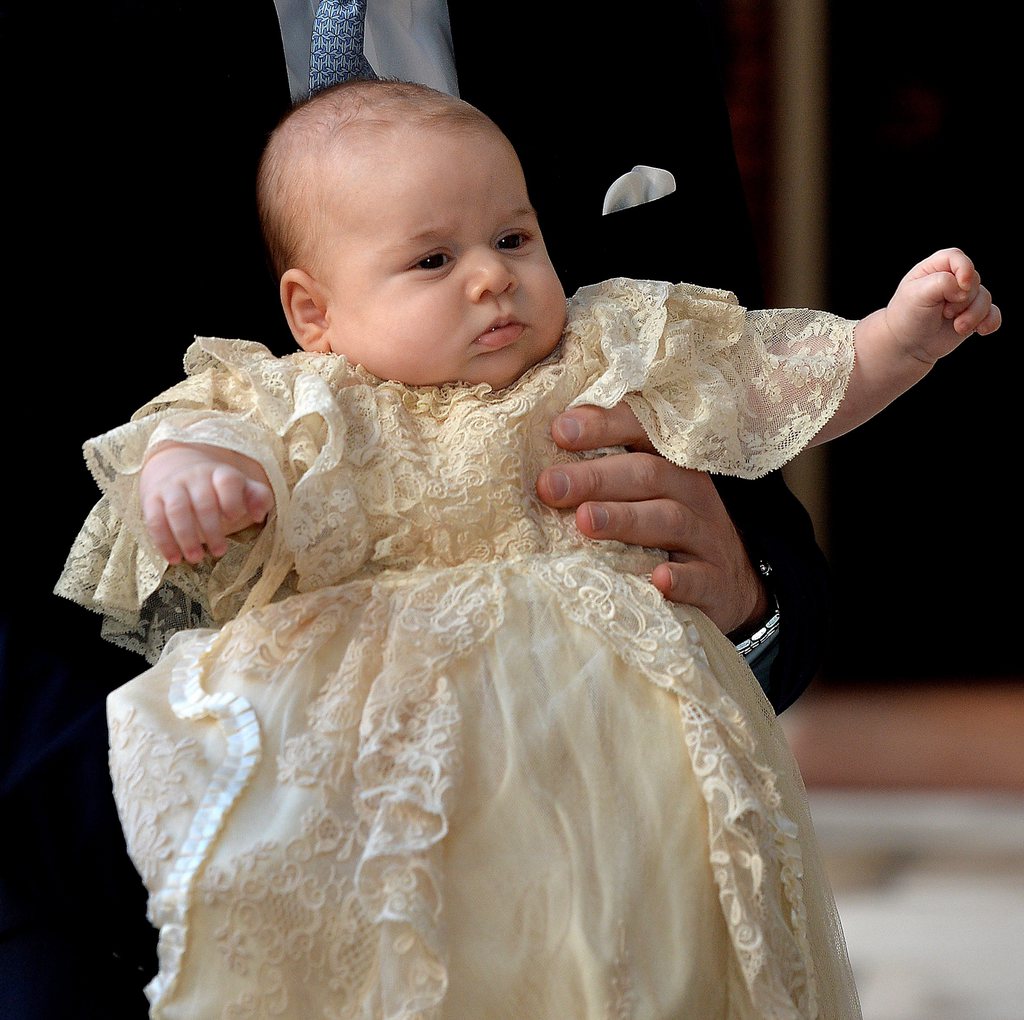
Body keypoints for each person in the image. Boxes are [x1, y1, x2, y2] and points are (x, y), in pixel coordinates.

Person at [55, 79, 999, 1019]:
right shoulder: (315, 404)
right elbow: (196, 432)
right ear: (313, 314)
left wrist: (895, 342)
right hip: (409, 783)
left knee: (666, 959)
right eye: (432, 259)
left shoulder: (604, 349)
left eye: (512, 239)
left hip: (628, 773)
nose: (490, 276)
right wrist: (196, 471)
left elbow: (769, 384)